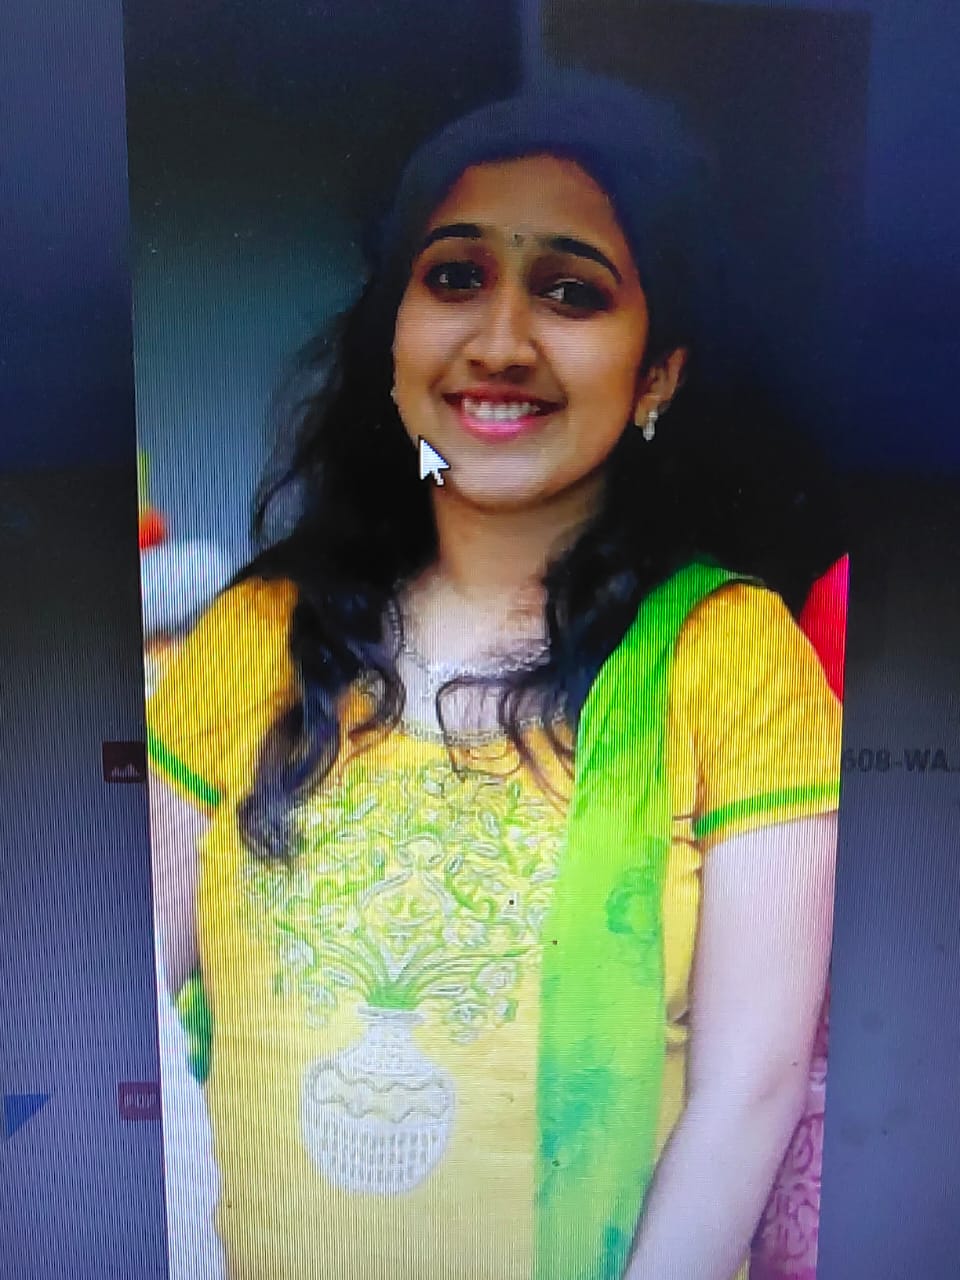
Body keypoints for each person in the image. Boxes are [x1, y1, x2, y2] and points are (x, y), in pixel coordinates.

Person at [147, 77, 841, 1280]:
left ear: (658, 372)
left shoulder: (730, 655)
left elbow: (750, 1090)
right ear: (396, 339)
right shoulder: (256, 635)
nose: (502, 339)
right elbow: (119, 993)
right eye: (456, 276)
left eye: (571, 290)